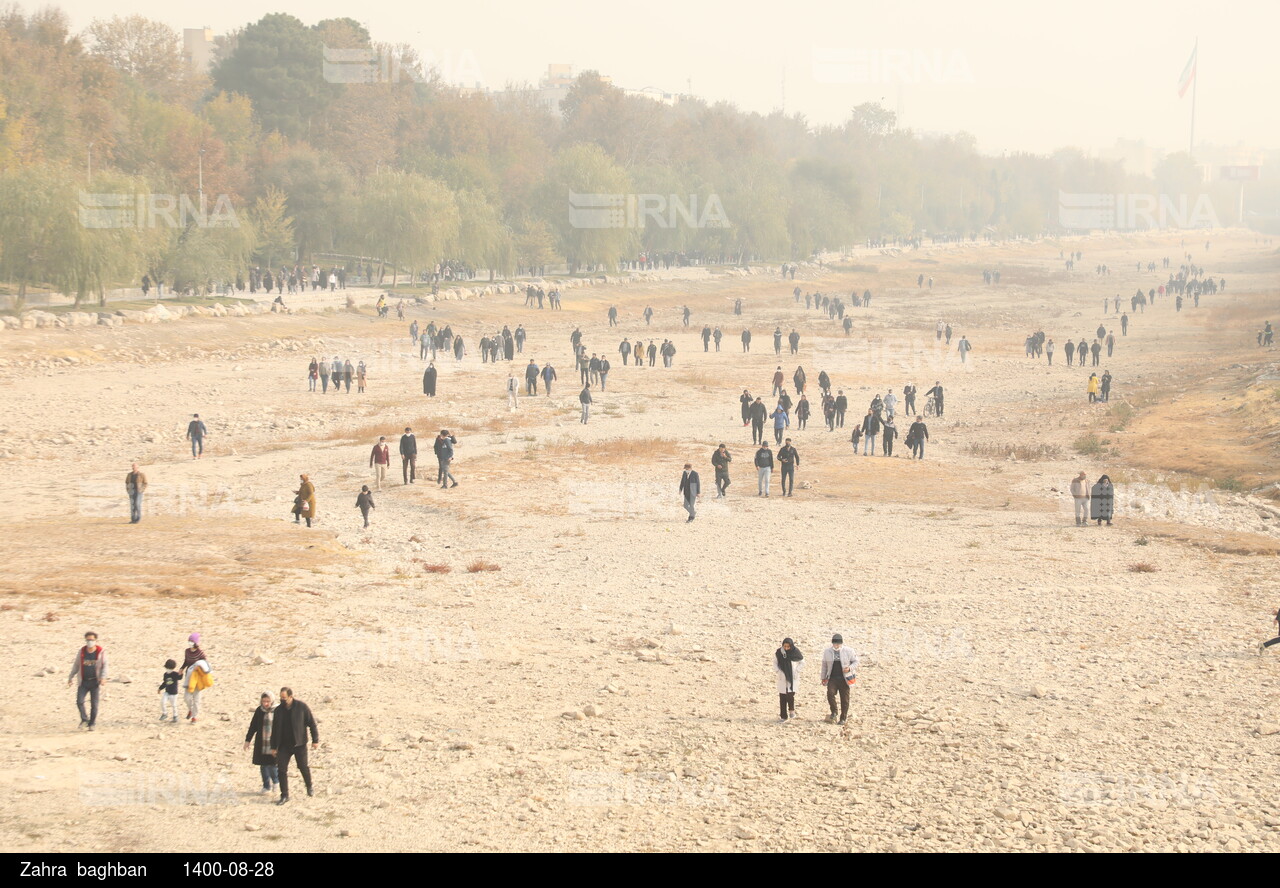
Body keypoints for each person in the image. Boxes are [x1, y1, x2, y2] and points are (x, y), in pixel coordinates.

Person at [269, 687, 318, 805]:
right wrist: (273, 746)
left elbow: (311, 724)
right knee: (281, 770)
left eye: (284, 698)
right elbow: (274, 729)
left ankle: (309, 786)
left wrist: (315, 740)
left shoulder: (301, 707)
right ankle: (284, 795)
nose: (282, 700)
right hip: (283, 745)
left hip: (299, 744)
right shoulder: (278, 710)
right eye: (281, 698)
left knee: (303, 767)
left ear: (291, 697)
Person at [68, 631, 106, 731]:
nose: (90, 642)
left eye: (92, 640)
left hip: (95, 682)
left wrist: (103, 677)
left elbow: (104, 665)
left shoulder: (100, 652)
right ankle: (84, 719)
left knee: (94, 705)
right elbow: (76, 665)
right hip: (83, 682)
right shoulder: (82, 652)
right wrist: (71, 677)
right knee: (79, 701)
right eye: (88, 640)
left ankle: (92, 723)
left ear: (96, 640)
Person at [244, 693, 279, 794]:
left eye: (268, 701)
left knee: (272, 764)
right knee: (263, 765)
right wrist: (247, 740)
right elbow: (253, 726)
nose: (266, 704)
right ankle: (266, 786)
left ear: (272, 701)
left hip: (273, 743)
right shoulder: (259, 711)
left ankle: (276, 783)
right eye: (264, 701)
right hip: (261, 743)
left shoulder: (277, 710)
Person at [820, 634, 858, 726]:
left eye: (838, 644)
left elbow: (856, 661)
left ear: (841, 643)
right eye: (834, 644)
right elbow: (824, 665)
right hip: (832, 677)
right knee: (830, 694)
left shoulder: (849, 651)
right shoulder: (827, 652)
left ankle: (843, 718)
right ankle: (834, 711)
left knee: (844, 699)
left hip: (844, 678)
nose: (836, 646)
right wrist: (823, 677)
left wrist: (849, 668)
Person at [182, 633, 211, 724]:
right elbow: (186, 661)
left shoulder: (200, 653)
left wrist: (198, 667)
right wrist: (181, 668)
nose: (189, 643)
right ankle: (190, 709)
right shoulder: (187, 651)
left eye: (191, 641)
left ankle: (194, 716)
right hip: (188, 677)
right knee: (186, 697)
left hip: (198, 678)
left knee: (197, 698)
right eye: (189, 641)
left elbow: (205, 664)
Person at [774, 639, 804, 721]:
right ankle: (783, 716)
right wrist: (779, 671)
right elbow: (775, 663)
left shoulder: (795, 652)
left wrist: (797, 671)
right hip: (782, 676)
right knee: (782, 696)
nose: (786, 648)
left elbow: (802, 662)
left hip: (792, 676)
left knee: (790, 695)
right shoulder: (779, 653)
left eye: (788, 646)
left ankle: (791, 710)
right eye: (785, 646)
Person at [157, 658, 181, 723]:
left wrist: (181, 673)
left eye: (169, 668)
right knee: (163, 702)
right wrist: (160, 688)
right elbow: (165, 682)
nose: (167, 669)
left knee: (174, 705)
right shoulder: (166, 674)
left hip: (174, 693)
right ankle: (165, 713)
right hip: (167, 692)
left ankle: (175, 716)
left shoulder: (175, 674)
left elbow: (180, 678)